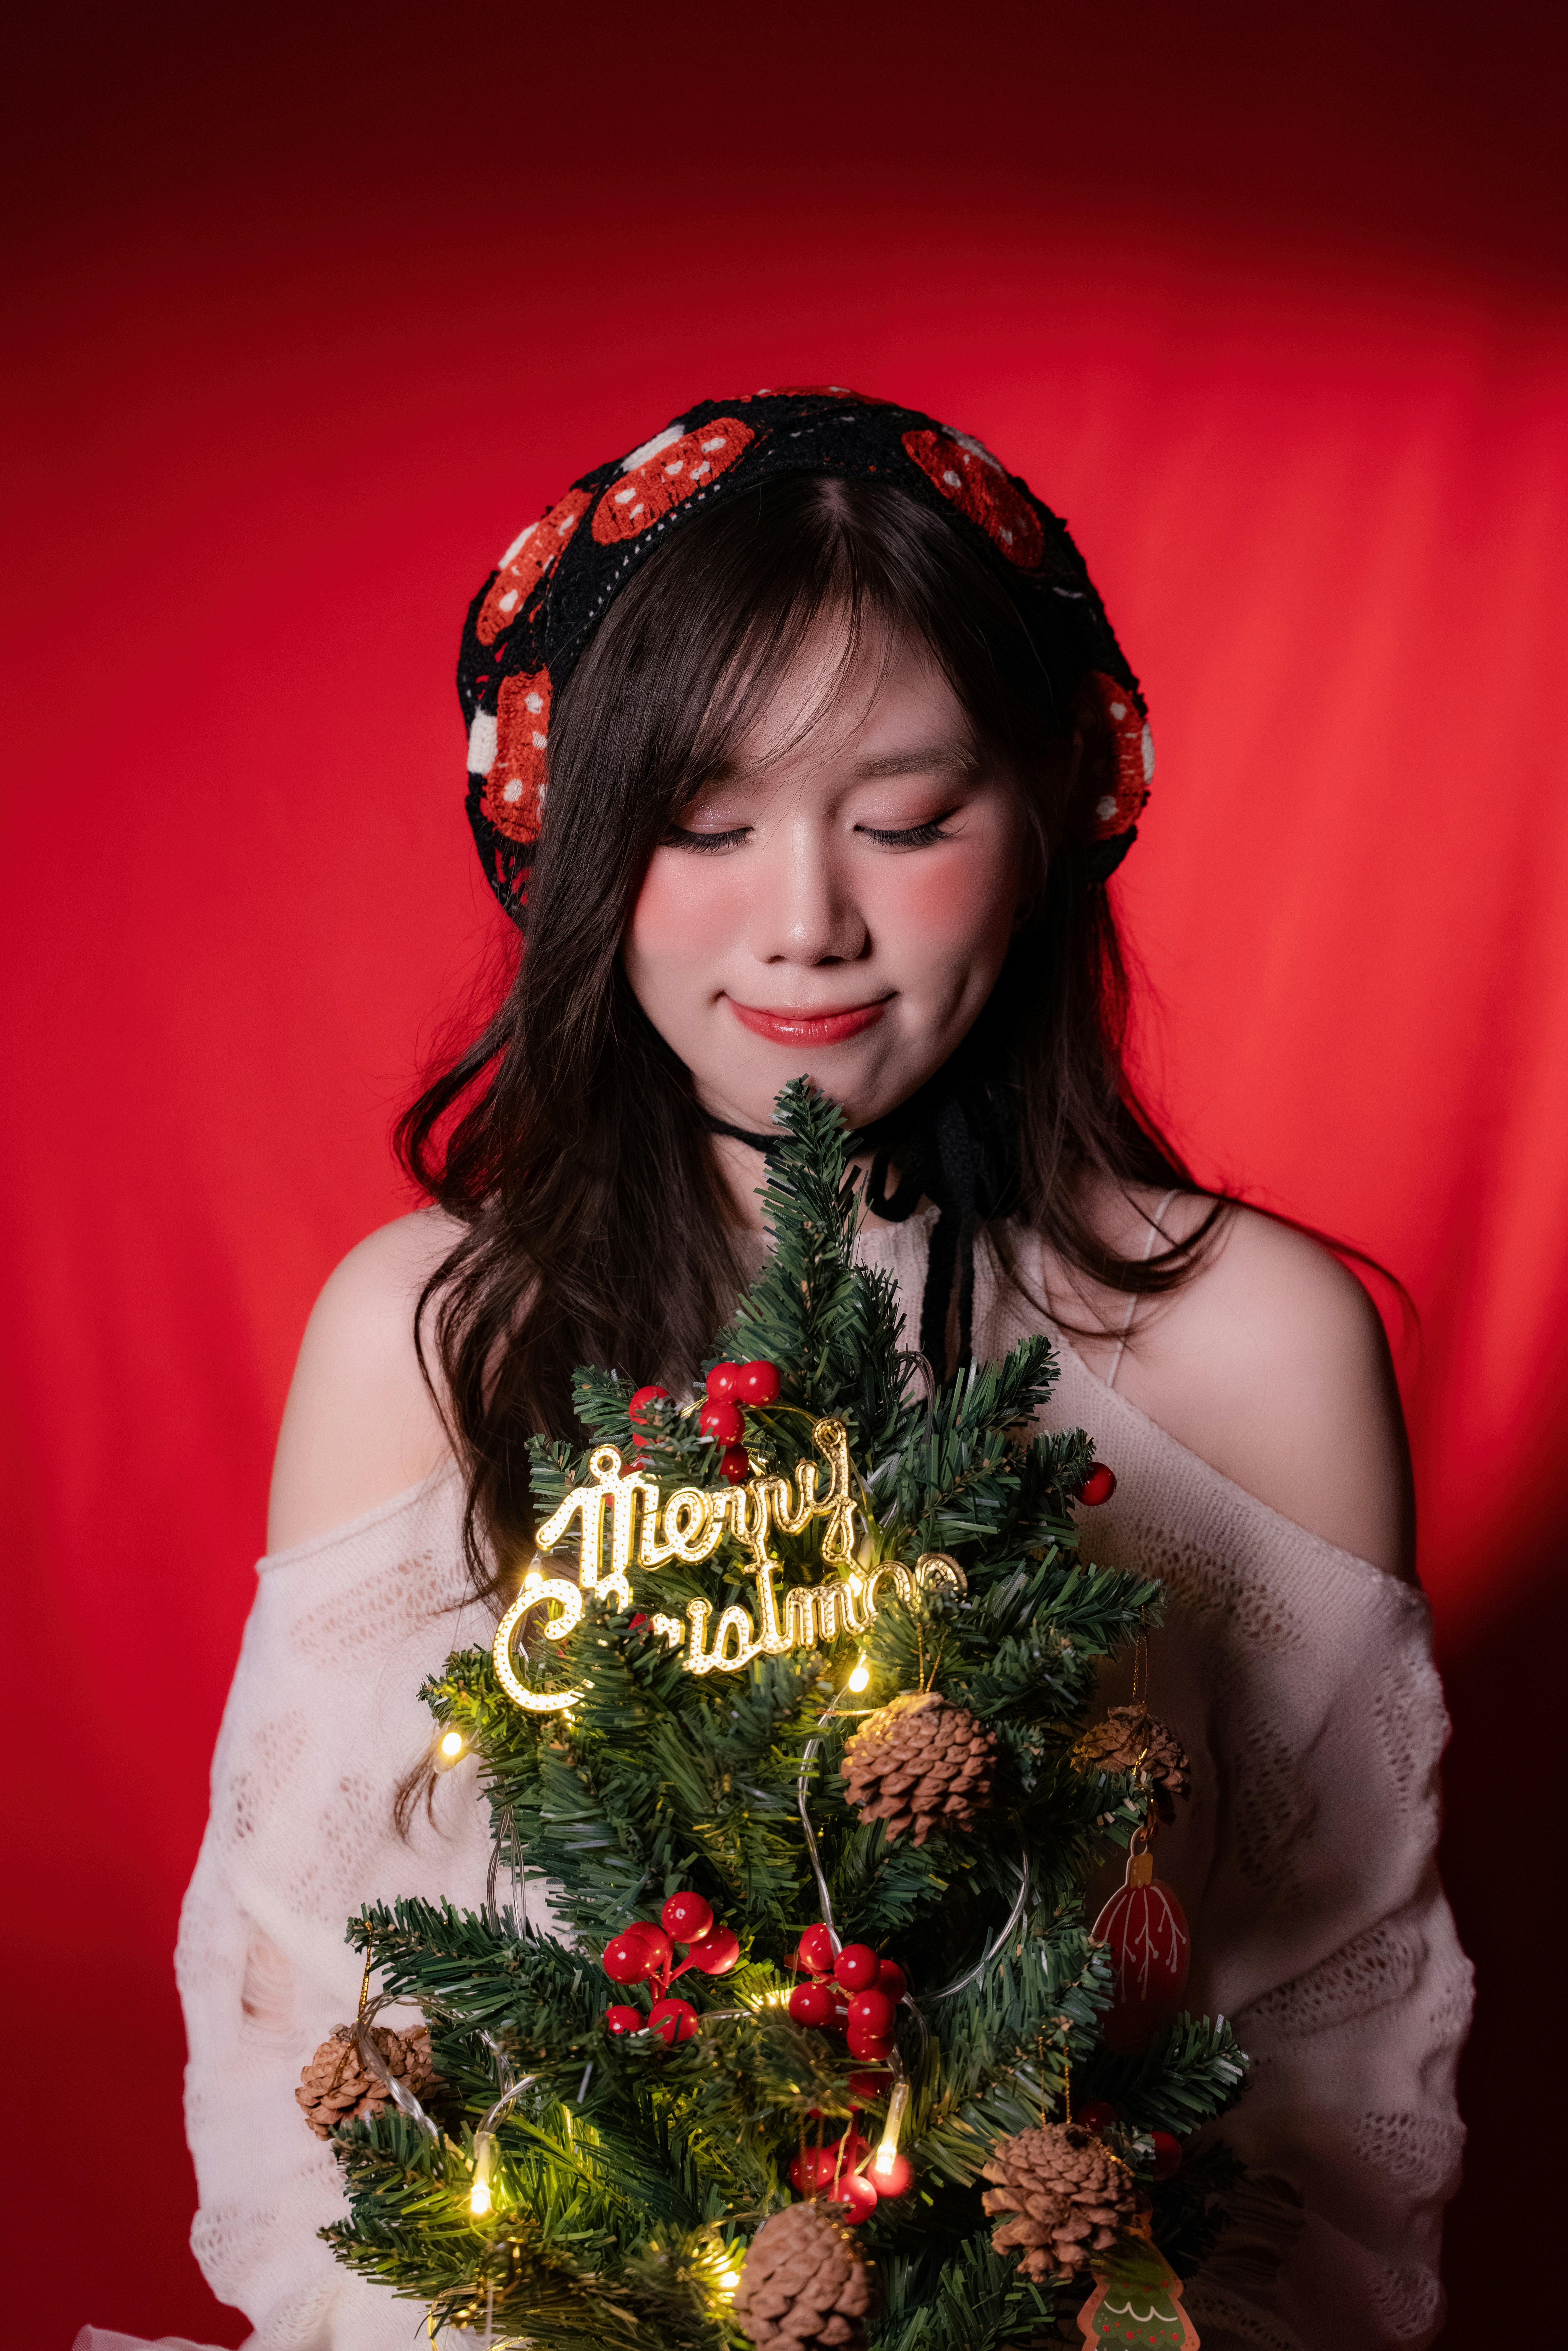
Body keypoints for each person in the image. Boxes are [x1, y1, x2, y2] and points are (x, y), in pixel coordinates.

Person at [174, 391, 1471, 2351]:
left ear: (1051, 810)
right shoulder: (437, 1334)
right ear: (570, 840)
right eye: (704, 826)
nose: (804, 923)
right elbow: (298, 2024)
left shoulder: (1253, 1342)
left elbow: (1329, 2040)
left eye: (905, 821)